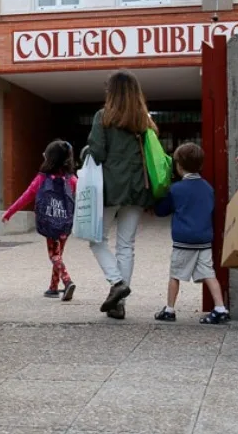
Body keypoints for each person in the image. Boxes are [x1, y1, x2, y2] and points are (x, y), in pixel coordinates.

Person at [85, 70, 156, 320]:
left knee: (97, 239)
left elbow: (98, 152)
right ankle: (119, 304)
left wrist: (87, 150)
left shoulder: (103, 117)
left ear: (112, 92)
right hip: (138, 188)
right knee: (126, 244)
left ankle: (117, 283)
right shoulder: (145, 121)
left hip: (110, 187)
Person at [151, 143, 230, 324]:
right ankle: (219, 307)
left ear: (178, 166)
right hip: (204, 239)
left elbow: (162, 210)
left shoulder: (176, 189)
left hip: (183, 240)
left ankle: (170, 309)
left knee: (176, 274)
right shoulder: (208, 188)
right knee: (209, 274)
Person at [2, 139, 78, 301]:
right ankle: (53, 287)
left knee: (53, 255)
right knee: (59, 254)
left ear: (50, 158)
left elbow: (27, 196)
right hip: (65, 222)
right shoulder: (71, 179)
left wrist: (9, 212)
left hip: (49, 222)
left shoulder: (42, 178)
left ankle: (67, 280)